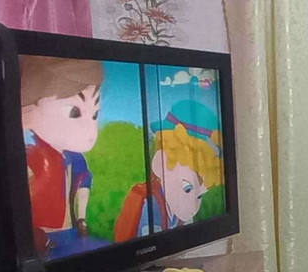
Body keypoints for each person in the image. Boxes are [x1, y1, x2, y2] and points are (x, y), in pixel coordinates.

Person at [20, 57, 104, 258]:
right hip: (43, 241)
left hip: (69, 234)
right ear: (27, 112)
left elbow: (83, 183)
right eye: (74, 112)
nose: (91, 131)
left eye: (94, 115)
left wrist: (81, 219)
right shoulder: (28, 158)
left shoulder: (75, 159)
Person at [114, 108, 224, 242]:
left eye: (199, 196)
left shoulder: (182, 211)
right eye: (187, 189)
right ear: (160, 163)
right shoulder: (150, 205)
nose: (193, 207)